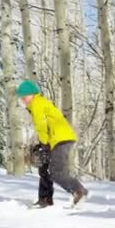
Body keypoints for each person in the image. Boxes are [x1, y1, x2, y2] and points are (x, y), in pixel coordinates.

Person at [16, 80, 89, 208]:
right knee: (44, 168)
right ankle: (45, 199)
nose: (24, 100)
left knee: (56, 172)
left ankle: (79, 191)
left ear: (33, 94)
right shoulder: (38, 103)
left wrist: (44, 145)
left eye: (25, 96)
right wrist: (43, 144)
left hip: (60, 139)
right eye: (22, 98)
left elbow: (41, 125)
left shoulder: (37, 103)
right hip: (57, 139)